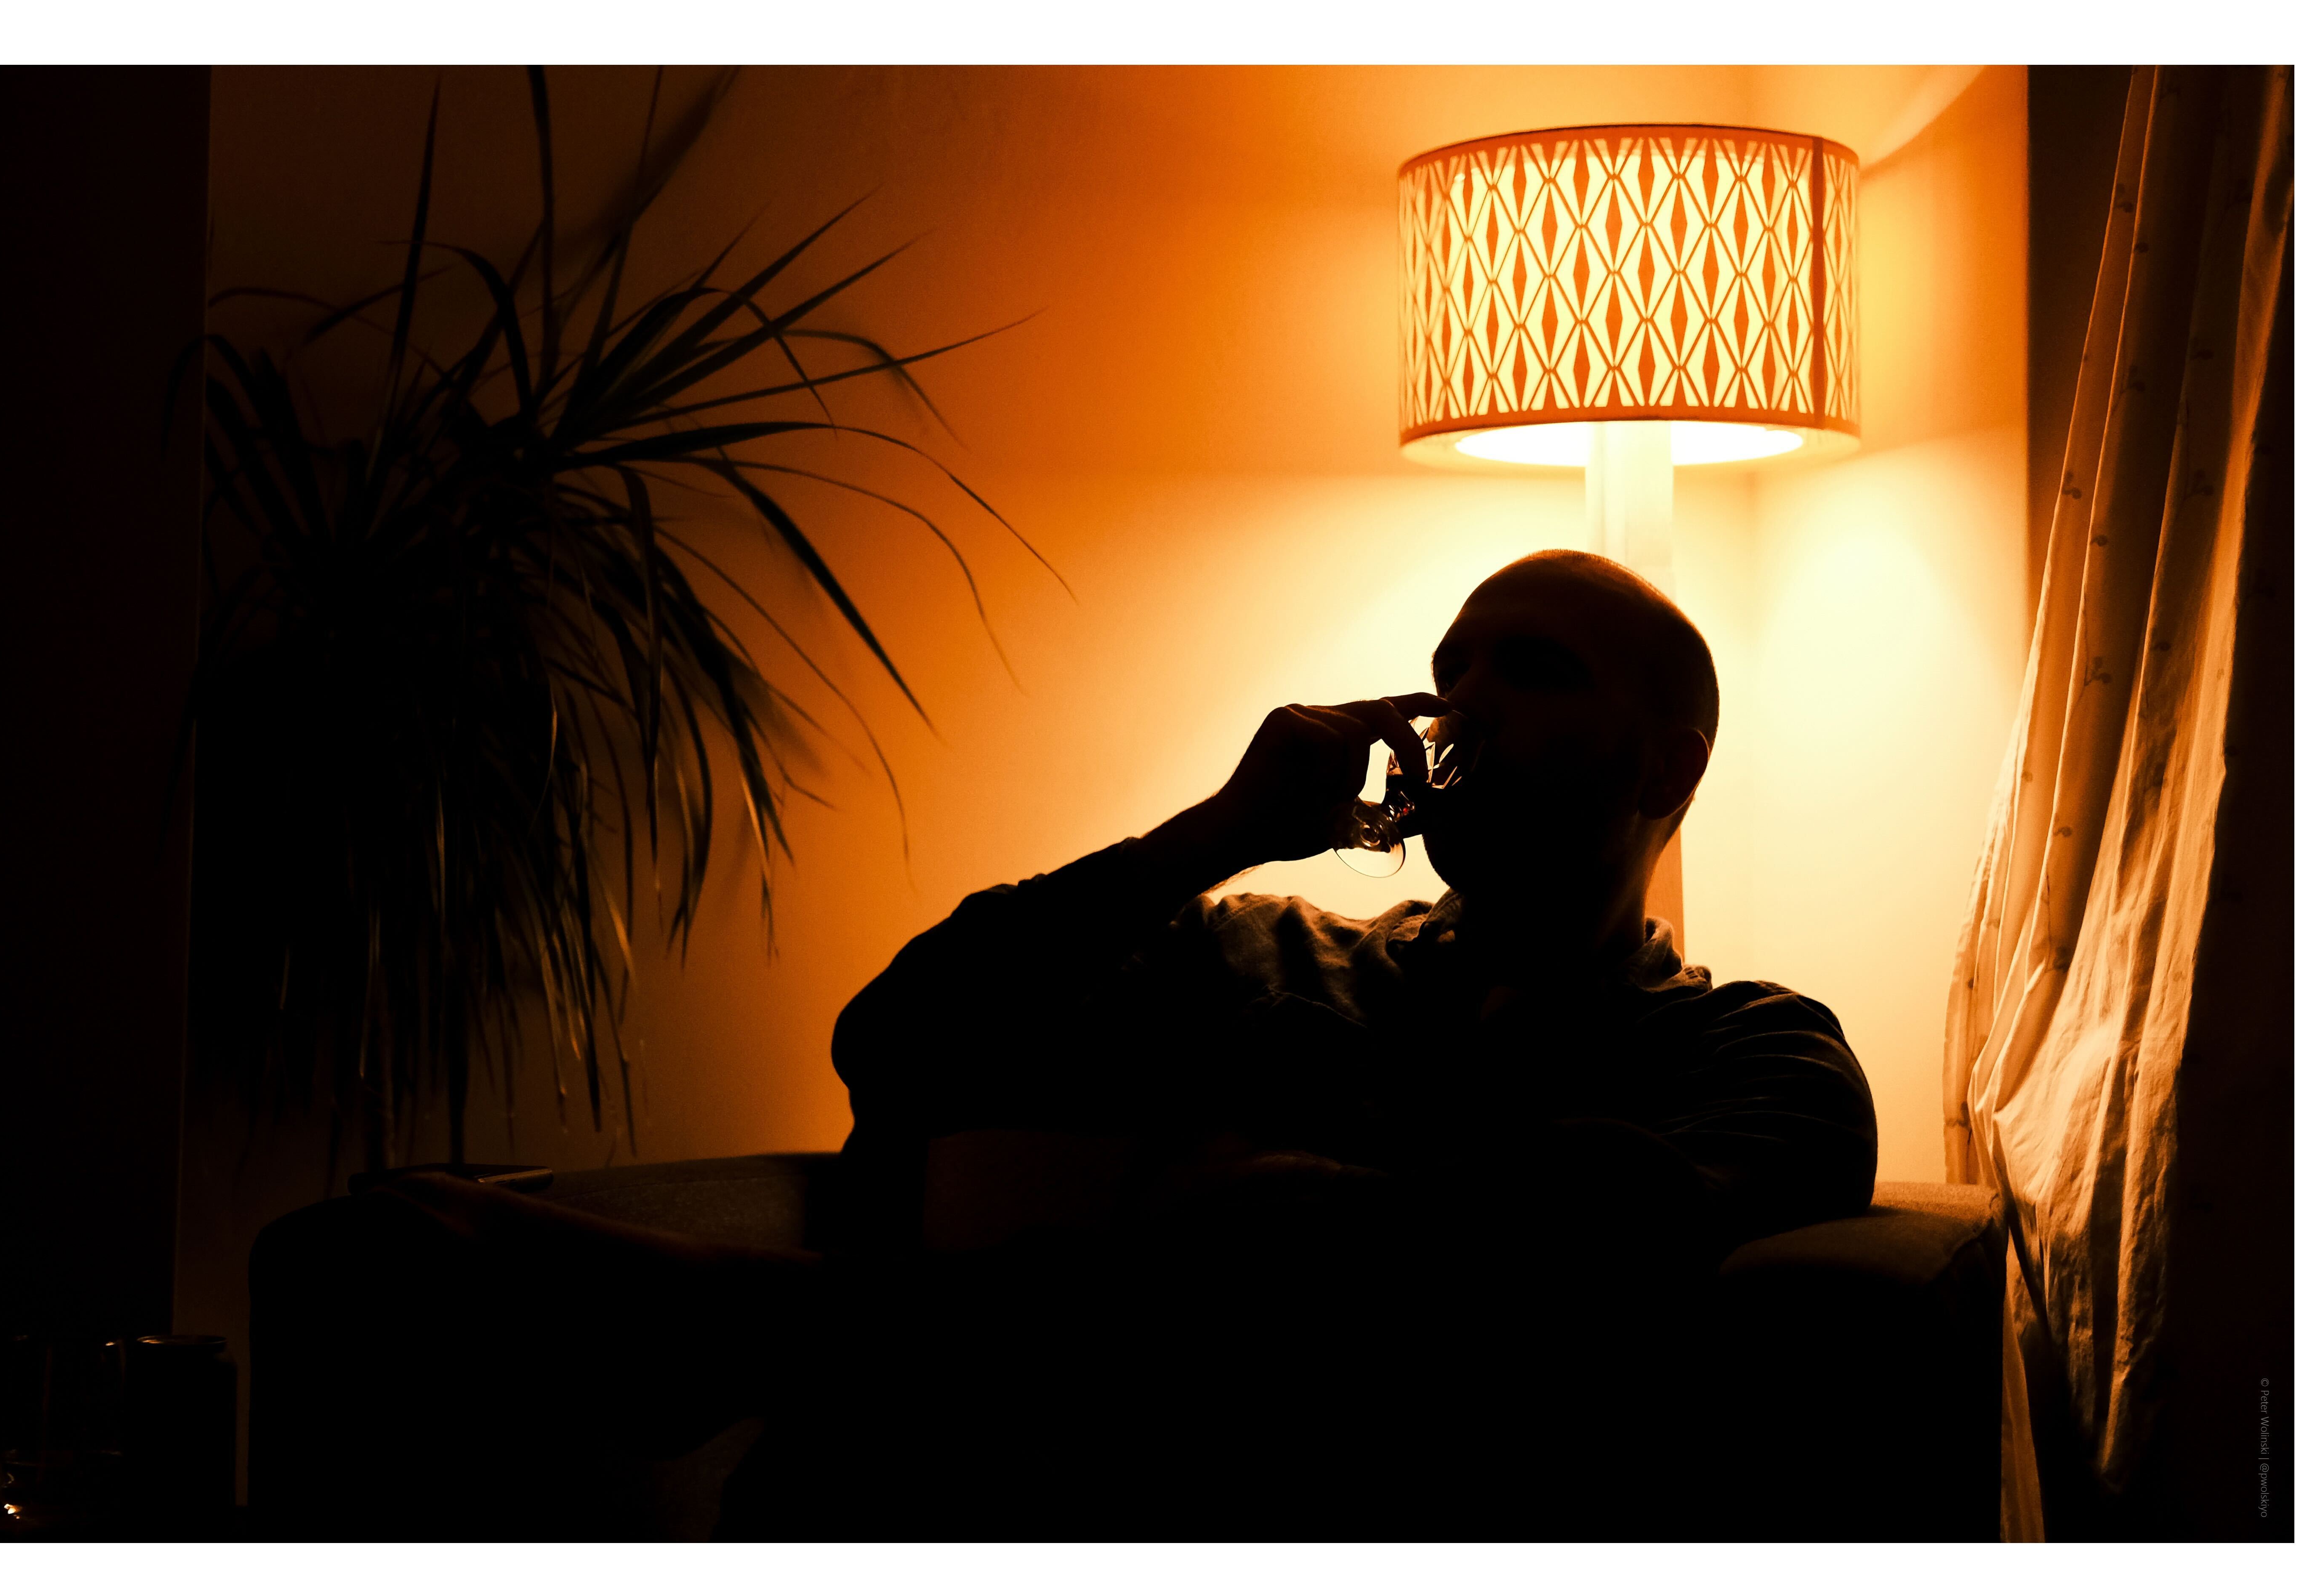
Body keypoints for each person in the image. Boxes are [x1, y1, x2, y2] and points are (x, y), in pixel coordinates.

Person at [384, 549, 1877, 1538]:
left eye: (1532, 669)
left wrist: (1271, 1208)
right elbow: (902, 1040)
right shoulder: (1260, 947)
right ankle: (812, 1338)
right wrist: (1218, 835)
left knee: (1316, 1268)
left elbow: (1599, 1225)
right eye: (1453, 661)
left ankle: (769, 1324)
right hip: (1049, 1495)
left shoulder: (1757, 1051)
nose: (1458, 700)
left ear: (1664, 765)